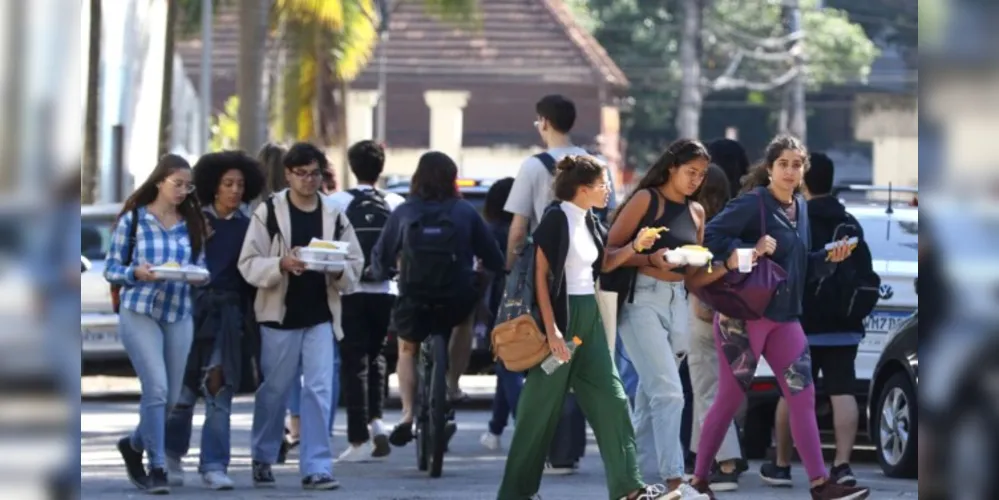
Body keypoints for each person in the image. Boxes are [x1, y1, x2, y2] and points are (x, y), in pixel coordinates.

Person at [688, 135, 868, 500]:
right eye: (783, 164)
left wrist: (829, 259)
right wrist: (750, 251)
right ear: (769, 169)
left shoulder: (800, 208)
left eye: (797, 164)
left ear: (804, 171)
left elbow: (801, 267)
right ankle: (698, 481)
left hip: (785, 319)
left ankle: (819, 483)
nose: (790, 171)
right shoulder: (753, 203)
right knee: (728, 398)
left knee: (803, 395)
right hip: (744, 317)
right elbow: (709, 243)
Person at [497, 155, 681, 500]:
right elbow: (540, 276)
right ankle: (515, 493)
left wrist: (634, 247)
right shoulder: (555, 219)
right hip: (562, 320)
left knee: (612, 401)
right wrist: (552, 332)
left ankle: (630, 490)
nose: (608, 189)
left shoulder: (589, 220)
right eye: (602, 184)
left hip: (589, 320)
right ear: (583, 189)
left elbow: (604, 263)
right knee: (538, 411)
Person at [239, 142, 364, 490]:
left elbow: (354, 263)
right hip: (279, 316)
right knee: (274, 390)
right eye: (302, 174)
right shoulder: (270, 212)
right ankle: (263, 456)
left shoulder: (334, 214)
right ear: (288, 175)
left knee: (319, 390)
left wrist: (336, 270)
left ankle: (316, 467)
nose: (309, 181)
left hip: (321, 316)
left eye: (315, 174)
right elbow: (248, 263)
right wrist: (281, 263)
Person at [504, 94, 611, 473]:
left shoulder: (533, 167)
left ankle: (541, 452)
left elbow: (519, 229)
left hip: (547, 281)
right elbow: (603, 222)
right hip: (585, 280)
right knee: (577, 364)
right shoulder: (597, 166)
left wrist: (509, 274)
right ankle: (568, 449)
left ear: (545, 122)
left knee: (547, 364)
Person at [368, 151, 505, 448]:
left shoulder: (404, 211)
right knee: (465, 320)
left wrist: (379, 271)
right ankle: (453, 386)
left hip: (414, 295)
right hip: (456, 296)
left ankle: (406, 414)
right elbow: (493, 256)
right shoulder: (465, 212)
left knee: (407, 348)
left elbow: (381, 256)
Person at [607, 139, 717, 498]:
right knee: (670, 393)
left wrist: (727, 267)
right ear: (672, 167)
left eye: (701, 176)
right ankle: (675, 481)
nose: (695, 181)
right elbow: (609, 252)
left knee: (650, 397)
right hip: (642, 300)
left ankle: (630, 481)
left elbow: (694, 274)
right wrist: (650, 259)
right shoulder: (646, 200)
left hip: (678, 301)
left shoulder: (697, 212)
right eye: (690, 172)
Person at [763, 152, 876, 488]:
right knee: (843, 391)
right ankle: (842, 465)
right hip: (843, 325)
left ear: (803, 179)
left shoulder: (794, 219)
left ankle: (782, 464)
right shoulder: (850, 223)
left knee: (791, 392)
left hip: (800, 324)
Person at [104, 154, 209, 494]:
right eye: (177, 184)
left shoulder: (191, 223)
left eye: (187, 186)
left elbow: (201, 268)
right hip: (140, 311)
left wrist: (197, 277)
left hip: (178, 312)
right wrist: (135, 273)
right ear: (160, 181)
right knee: (158, 389)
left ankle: (134, 445)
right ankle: (157, 465)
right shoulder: (134, 221)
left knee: (171, 397)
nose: (182, 191)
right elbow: (111, 269)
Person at [161, 151, 264, 490]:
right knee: (183, 390)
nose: (234, 190)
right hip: (190, 310)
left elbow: (253, 276)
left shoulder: (250, 228)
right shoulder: (190, 221)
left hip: (229, 316)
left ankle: (214, 464)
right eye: (227, 183)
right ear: (213, 186)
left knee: (219, 390)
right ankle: (170, 456)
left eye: (240, 185)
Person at [326, 140, 405, 462]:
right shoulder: (396, 201)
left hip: (350, 290)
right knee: (377, 358)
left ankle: (358, 439)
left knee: (353, 361)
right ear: (381, 167)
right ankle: (377, 423)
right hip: (387, 290)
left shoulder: (338, 202)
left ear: (352, 166)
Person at [686, 164, 744, 492]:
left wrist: (699, 301)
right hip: (735, 315)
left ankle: (726, 461)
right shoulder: (736, 224)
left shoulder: (698, 224)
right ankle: (703, 460)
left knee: (706, 389)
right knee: (715, 389)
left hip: (703, 312)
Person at [476, 177, 526, 451]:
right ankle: (495, 429)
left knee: (507, 365)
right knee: (506, 365)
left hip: (501, 302)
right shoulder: (530, 228)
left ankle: (524, 425)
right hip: (532, 302)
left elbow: (485, 272)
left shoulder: (491, 231)